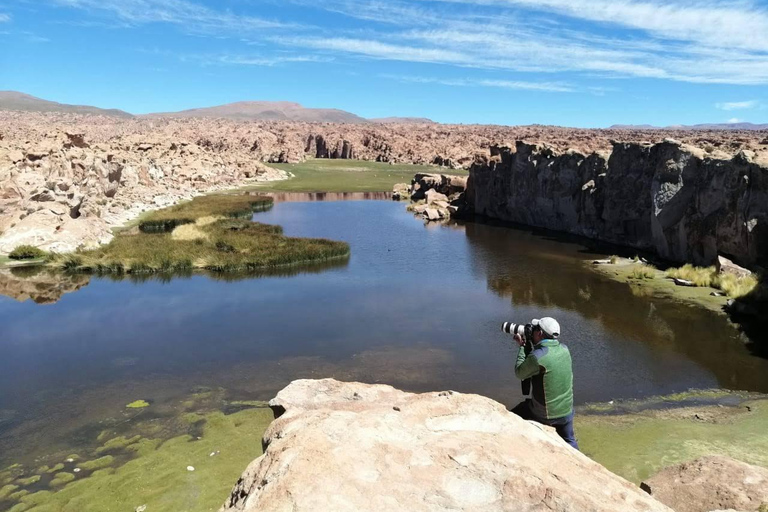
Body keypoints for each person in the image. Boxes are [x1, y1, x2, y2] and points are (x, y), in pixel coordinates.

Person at [510, 317, 578, 450]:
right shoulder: (565, 349)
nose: (532, 331)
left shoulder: (538, 356)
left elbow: (520, 373)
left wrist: (523, 347)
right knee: (570, 440)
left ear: (540, 333)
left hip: (546, 415)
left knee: (516, 413)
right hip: (567, 412)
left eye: (535, 329)